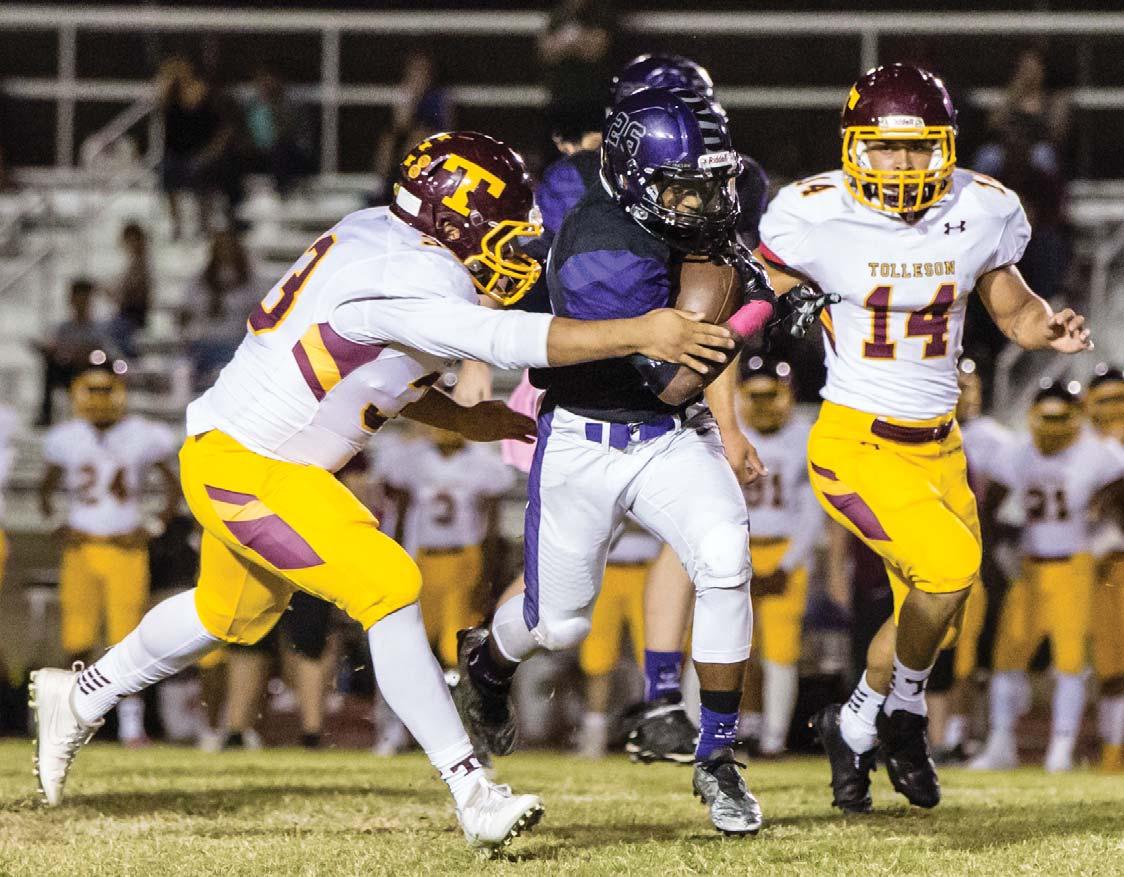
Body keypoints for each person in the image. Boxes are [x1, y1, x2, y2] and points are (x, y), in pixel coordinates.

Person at [29, 130, 735, 851]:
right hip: (249, 464)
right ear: (452, 221)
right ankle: (472, 788)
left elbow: (375, 367)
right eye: (499, 231)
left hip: (253, 455)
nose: (512, 249)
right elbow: (502, 342)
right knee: (389, 583)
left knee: (226, 615)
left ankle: (79, 695)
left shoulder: (379, 235)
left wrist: (464, 418)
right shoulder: (407, 274)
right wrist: (639, 331)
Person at [755, 63, 1092, 813]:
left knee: (938, 609)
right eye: (886, 146)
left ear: (947, 145)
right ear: (854, 147)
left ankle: (855, 723)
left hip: (941, 447)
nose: (904, 163)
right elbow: (749, 298)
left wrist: (1047, 326)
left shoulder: (982, 206)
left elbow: (1014, 308)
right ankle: (904, 717)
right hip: (856, 443)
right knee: (948, 571)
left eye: (919, 146)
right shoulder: (813, 214)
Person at [451, 89, 777, 837]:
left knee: (726, 560)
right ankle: (487, 665)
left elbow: (716, 319)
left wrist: (761, 290)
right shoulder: (603, 246)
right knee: (559, 625)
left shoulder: (678, 214)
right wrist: (753, 309)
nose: (701, 203)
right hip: (586, 436)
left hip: (667, 438)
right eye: (683, 188)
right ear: (634, 178)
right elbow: (672, 375)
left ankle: (718, 755)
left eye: (709, 184)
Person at [970, 383, 1124, 772]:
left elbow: (1118, 498)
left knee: (1070, 662)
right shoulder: (1018, 451)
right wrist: (996, 547)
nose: (1053, 427)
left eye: (1060, 418)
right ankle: (1001, 743)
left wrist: (1105, 524)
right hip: (1030, 565)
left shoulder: (1099, 453)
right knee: (1007, 655)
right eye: (1047, 418)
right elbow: (990, 505)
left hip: (1076, 564)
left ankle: (1061, 748)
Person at [37, 352, 180, 746]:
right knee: (77, 640)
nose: (99, 399)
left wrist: (152, 527)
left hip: (125, 549)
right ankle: (70, 720)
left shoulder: (143, 433)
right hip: (82, 548)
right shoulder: (65, 437)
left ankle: (132, 726)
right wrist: (57, 524)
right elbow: (45, 489)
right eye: (92, 390)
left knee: (126, 642)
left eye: (106, 389)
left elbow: (173, 486)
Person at [734, 355, 823, 757]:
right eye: (755, 396)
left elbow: (812, 510)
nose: (764, 405)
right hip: (736, 548)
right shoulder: (728, 432)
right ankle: (734, 728)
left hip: (784, 550)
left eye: (771, 395)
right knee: (733, 646)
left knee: (780, 652)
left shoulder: (805, 437)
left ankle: (773, 737)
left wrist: (787, 565)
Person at [926, 358, 1012, 762]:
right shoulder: (926, 429)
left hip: (977, 559)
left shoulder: (993, 439)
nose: (966, 394)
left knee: (969, 657)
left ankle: (962, 734)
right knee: (935, 652)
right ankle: (936, 735)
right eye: (958, 385)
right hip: (933, 558)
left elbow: (1006, 500)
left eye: (970, 385)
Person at [576, 518, 659, 759]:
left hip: (648, 569)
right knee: (597, 658)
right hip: (603, 568)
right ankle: (594, 737)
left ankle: (658, 732)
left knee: (655, 656)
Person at [1087, 365, 1124, 771]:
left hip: (1112, 562)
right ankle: (1113, 754)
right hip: (1099, 568)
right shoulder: (1081, 445)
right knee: (1111, 667)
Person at [182, 230, 266, 388]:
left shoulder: (250, 282)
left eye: (228, 247)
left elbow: (259, 314)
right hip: (205, 343)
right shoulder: (200, 280)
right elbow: (186, 311)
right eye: (220, 248)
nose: (224, 252)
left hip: (234, 344)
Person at [372, 52, 452, 205]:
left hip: (431, 140)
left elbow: (446, 127)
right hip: (407, 136)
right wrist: (412, 98)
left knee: (416, 140)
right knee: (388, 141)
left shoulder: (439, 96)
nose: (418, 75)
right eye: (414, 71)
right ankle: (384, 187)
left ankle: (408, 186)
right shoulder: (406, 93)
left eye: (422, 71)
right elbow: (400, 124)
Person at [34, 279, 113, 426]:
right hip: (69, 372)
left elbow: (109, 354)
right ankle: (46, 415)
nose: (81, 304)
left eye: (85, 299)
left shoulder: (100, 329)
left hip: (91, 372)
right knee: (51, 367)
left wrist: (89, 354)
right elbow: (56, 349)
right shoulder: (63, 328)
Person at [245, 65, 312, 198]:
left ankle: (284, 192)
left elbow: (287, 133)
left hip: (287, 150)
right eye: (261, 81)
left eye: (268, 81)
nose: (264, 85)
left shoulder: (290, 105)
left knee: (280, 151)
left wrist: (273, 107)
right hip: (259, 151)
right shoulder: (252, 106)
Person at [103, 222, 153, 356]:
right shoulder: (133, 264)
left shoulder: (141, 265)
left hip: (132, 317)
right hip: (126, 315)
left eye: (134, 240)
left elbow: (131, 294)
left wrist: (113, 293)